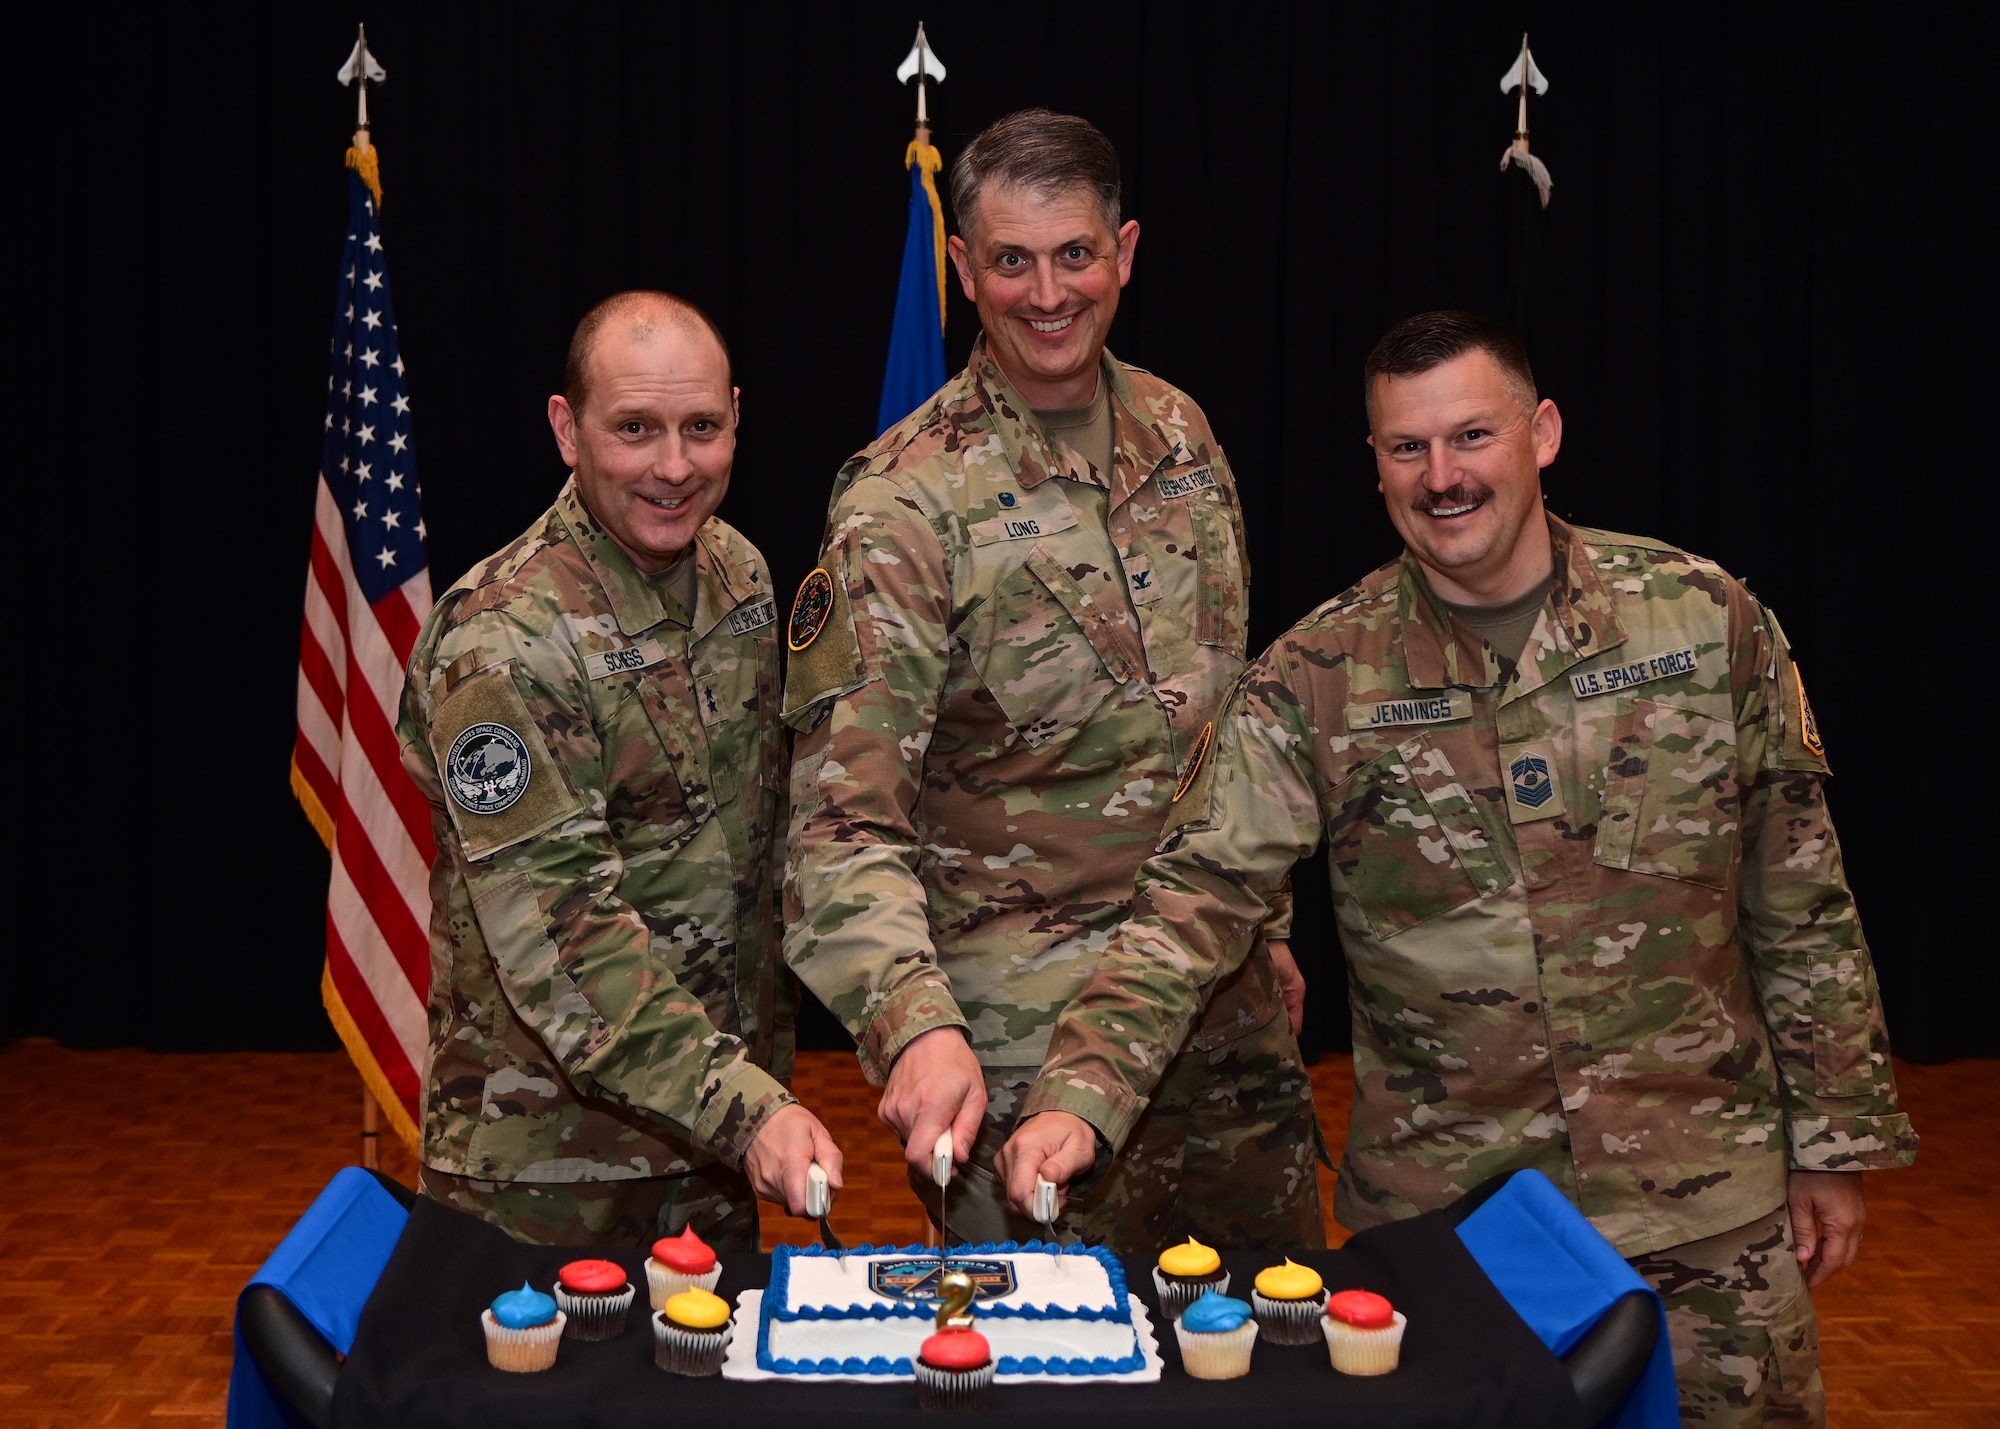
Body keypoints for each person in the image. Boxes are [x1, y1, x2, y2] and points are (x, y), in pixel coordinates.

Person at [1002, 310, 1916, 1424]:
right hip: (1455, 1232)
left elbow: (1796, 891)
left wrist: (1832, 1140)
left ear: (1540, 431)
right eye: (1405, 448)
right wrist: (1081, 1094)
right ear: (1375, 465)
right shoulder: (1315, 679)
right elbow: (1191, 903)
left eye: (1470, 436)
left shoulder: (1700, 617)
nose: (1442, 476)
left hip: (1702, 1210)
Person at [781, 109, 1321, 1254]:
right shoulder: (899, 499)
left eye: (1073, 254)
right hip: (1020, 1054)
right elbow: (838, 824)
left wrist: (1266, 927)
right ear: (963, 269)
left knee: (1265, 1365)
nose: (1047, 293)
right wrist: (912, 1026)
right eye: (1011, 261)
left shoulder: (1182, 434)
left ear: (1123, 252)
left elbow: (1225, 731)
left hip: (1220, 1018)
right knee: (1041, 1378)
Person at [398, 290, 842, 1247]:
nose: (674, 466)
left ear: (737, 416)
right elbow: (565, 937)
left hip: (712, 1153)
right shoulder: (502, 643)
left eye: (701, 427)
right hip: (545, 1174)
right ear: (568, 428)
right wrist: (748, 1108)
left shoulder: (741, 578)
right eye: (635, 429)